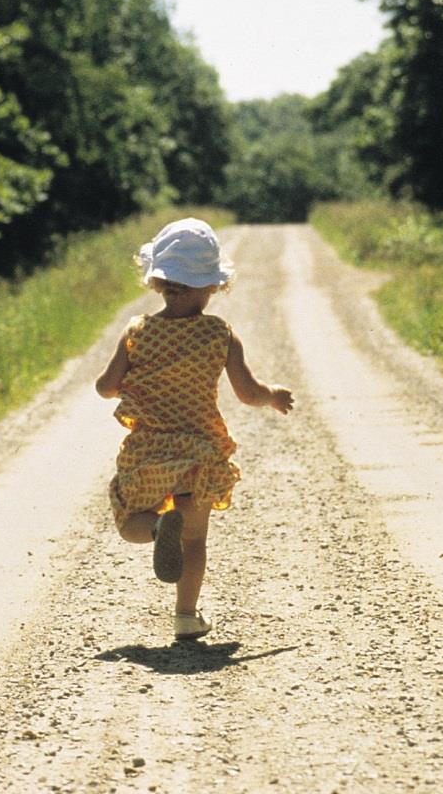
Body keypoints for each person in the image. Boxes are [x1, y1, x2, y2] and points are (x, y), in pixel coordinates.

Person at [95, 218, 294, 641]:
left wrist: (127, 386)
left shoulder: (137, 333)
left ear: (158, 282)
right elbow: (247, 392)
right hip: (199, 450)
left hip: (147, 449)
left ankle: (153, 529)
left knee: (128, 518)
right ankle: (186, 616)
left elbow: (105, 387)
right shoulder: (219, 334)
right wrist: (273, 394)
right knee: (194, 537)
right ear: (212, 286)